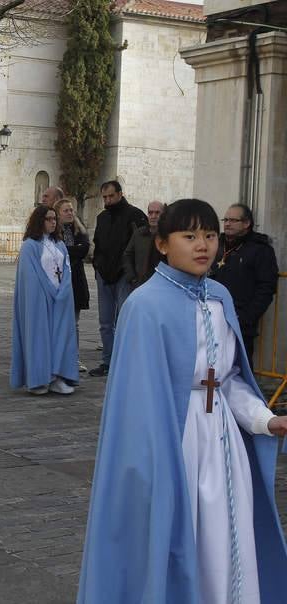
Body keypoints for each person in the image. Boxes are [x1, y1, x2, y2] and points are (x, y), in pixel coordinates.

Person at [78, 199, 287, 603]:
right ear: (161, 244)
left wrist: (264, 420)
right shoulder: (144, 306)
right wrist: (151, 468)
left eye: (210, 235)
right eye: (189, 236)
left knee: (227, 533)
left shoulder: (221, 297)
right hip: (176, 445)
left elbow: (228, 381)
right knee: (184, 534)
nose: (202, 245)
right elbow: (135, 406)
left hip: (223, 443)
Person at [11, 205, 78, 395]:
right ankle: (40, 378)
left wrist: (63, 291)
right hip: (40, 301)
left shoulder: (60, 245)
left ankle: (58, 376)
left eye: (54, 219)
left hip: (60, 299)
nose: (53, 222)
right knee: (40, 337)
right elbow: (29, 278)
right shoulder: (29, 246)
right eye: (48, 219)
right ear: (39, 221)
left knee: (60, 337)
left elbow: (66, 270)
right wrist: (47, 292)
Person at [88, 180, 147, 377]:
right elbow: (98, 243)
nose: (107, 200)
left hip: (125, 276)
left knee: (124, 320)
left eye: (111, 196)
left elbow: (140, 247)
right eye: (104, 197)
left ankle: (126, 361)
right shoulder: (102, 217)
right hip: (104, 275)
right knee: (105, 322)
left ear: (120, 194)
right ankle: (108, 361)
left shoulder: (136, 216)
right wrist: (97, 266)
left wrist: (132, 274)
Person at [210, 203, 279, 366]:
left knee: (238, 372)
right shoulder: (216, 244)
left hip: (240, 322)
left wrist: (246, 318)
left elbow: (266, 288)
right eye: (225, 219)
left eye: (233, 220)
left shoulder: (260, 250)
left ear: (247, 224)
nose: (227, 223)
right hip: (211, 319)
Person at [54, 198, 89, 373]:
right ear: (58, 214)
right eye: (66, 210)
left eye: (71, 210)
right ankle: (58, 358)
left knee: (74, 323)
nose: (70, 213)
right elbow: (56, 253)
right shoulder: (54, 233)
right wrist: (72, 252)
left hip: (76, 280)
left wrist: (68, 252)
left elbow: (84, 249)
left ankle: (74, 359)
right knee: (59, 322)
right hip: (58, 281)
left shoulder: (78, 231)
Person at [122, 200, 165, 290]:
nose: (153, 216)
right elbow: (127, 255)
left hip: (161, 286)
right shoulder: (138, 234)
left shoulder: (168, 236)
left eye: (157, 213)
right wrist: (132, 277)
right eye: (150, 213)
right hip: (140, 285)